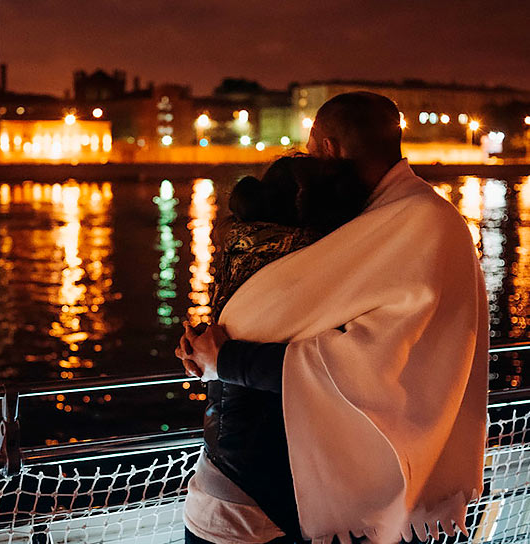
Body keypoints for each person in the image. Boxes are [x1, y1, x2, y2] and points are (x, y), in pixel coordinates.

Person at [178, 91, 488, 544]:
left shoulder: (416, 223)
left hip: (261, 496)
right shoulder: (370, 216)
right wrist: (211, 348)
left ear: (328, 147)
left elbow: (368, 365)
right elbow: (289, 313)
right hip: (274, 486)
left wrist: (223, 359)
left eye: (310, 147)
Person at [181, 155, 372, 544]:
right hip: (258, 503)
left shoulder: (245, 256)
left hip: (228, 493)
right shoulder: (319, 273)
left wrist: (208, 352)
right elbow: (332, 370)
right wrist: (220, 358)